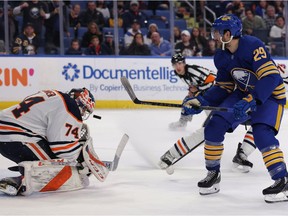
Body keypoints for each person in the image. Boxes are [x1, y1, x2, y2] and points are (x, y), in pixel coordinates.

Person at [182, 14, 288, 203]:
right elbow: (224, 87)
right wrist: (202, 101)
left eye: (218, 32)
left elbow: (271, 78)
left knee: (262, 133)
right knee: (214, 125)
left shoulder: (252, 45)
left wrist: (252, 99)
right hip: (243, 93)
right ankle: (213, 175)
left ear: (230, 33)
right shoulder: (221, 56)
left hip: (270, 95)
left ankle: (283, 180)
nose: (214, 35)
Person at [0, 88, 109, 196]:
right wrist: (82, 160)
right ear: (80, 104)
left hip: (8, 131)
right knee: (64, 168)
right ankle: (22, 181)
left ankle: (28, 171)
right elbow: (63, 150)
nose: (83, 113)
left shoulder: (54, 95)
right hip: (14, 137)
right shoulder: (70, 107)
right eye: (84, 109)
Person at [167, 53, 215, 130]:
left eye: (179, 63)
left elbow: (213, 81)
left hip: (216, 88)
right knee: (187, 101)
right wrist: (192, 91)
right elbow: (193, 83)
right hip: (205, 89)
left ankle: (214, 123)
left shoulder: (192, 70)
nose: (177, 66)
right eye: (175, 64)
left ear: (184, 63)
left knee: (205, 105)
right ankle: (182, 123)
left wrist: (197, 89)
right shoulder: (179, 73)